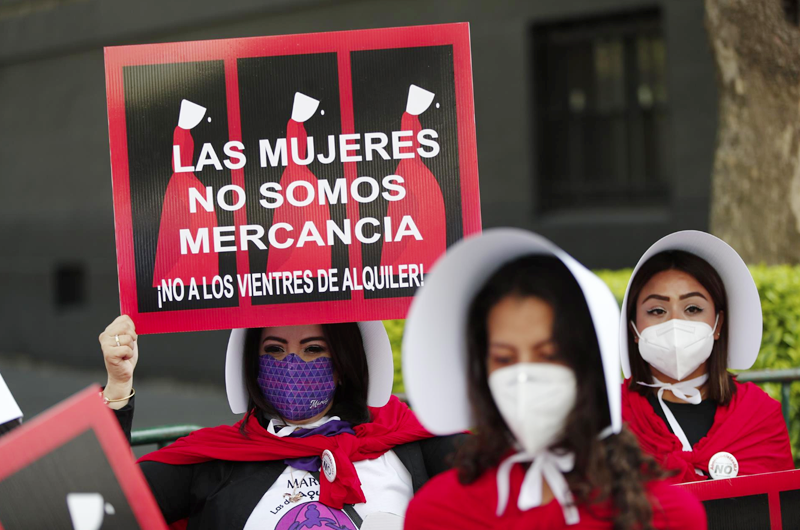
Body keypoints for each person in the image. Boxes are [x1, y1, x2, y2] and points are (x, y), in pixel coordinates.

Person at [401, 228, 705, 529]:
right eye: (504, 359)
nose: (524, 376)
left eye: (549, 355)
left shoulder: (666, 515)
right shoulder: (437, 514)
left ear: (590, 366)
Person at [99, 316, 463, 530]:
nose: (292, 364)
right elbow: (102, 506)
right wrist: (117, 388)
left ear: (343, 362)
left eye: (313, 349)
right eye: (274, 349)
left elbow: (504, 490)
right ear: (252, 364)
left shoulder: (409, 442)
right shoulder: (215, 461)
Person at [619, 230, 794, 482]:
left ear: (718, 323)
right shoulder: (610, 417)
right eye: (657, 310)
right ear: (634, 328)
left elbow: (779, 512)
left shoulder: (759, 415)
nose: (675, 323)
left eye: (693, 309)